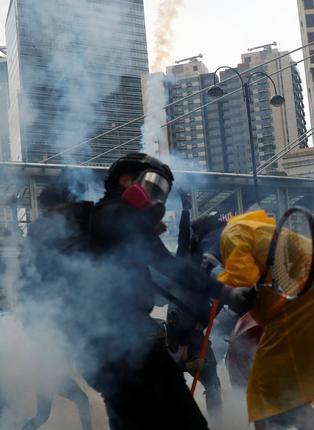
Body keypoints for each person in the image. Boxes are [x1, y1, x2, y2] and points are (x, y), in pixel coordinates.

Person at [70, 153, 251, 429]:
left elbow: (172, 268)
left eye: (161, 193)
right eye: (152, 186)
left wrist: (224, 293)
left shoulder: (128, 224)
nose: (156, 198)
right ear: (126, 180)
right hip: (123, 345)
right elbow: (123, 224)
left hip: (116, 348)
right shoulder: (109, 213)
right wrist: (226, 292)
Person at [197, 209, 314, 429]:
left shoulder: (231, 233)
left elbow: (243, 280)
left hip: (312, 291)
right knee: (284, 391)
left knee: (265, 387)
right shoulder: (253, 228)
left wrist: (217, 276)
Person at [21, 182, 93, 430]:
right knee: (81, 402)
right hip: (50, 373)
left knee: (42, 417)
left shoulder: (39, 231)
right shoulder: (46, 230)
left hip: (48, 368)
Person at [164, 307, 222, 423]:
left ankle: (217, 422)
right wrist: (190, 365)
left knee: (213, 387)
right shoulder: (166, 338)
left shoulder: (194, 315)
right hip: (189, 360)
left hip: (204, 354)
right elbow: (168, 368)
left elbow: (212, 309)